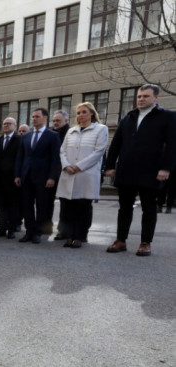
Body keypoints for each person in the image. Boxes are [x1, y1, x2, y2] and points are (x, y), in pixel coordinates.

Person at [105, 84, 176, 256]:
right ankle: (121, 240)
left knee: (149, 208)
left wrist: (166, 168)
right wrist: (109, 165)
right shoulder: (128, 117)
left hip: (151, 170)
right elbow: (116, 143)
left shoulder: (167, 116)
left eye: (145, 96)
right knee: (124, 207)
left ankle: (145, 243)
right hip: (127, 169)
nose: (141, 99)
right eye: (139, 96)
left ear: (156, 98)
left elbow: (173, 145)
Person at [56, 102, 109, 249]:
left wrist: (79, 166)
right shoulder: (71, 131)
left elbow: (98, 152)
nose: (81, 115)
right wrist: (66, 165)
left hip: (86, 174)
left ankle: (80, 236)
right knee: (68, 208)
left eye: (84, 112)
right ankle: (70, 235)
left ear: (92, 113)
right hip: (69, 173)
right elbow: (62, 151)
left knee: (83, 207)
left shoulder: (100, 129)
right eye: (78, 113)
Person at [15, 108, 61, 244]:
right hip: (26, 176)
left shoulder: (52, 136)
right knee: (27, 205)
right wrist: (17, 175)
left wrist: (52, 177)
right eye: (33, 116)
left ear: (45, 118)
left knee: (42, 206)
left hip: (43, 178)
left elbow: (56, 159)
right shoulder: (26, 136)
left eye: (37, 116)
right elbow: (20, 157)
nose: (34, 119)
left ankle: (38, 232)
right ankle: (29, 231)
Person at [0, 117, 22, 239]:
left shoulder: (19, 140)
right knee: (0, 206)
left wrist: (18, 175)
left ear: (15, 126)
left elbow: (20, 158)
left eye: (9, 124)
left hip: (13, 179)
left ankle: (11, 229)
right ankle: (2, 228)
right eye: (4, 124)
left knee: (13, 205)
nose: (6, 126)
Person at [52, 110, 71, 241]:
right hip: (52, 173)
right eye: (54, 121)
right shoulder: (52, 133)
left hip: (65, 171)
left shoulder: (70, 133)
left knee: (66, 205)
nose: (55, 123)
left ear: (66, 121)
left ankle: (65, 231)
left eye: (58, 121)